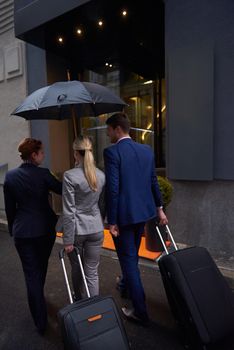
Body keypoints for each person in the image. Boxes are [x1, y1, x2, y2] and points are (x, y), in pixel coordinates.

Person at [103, 112, 168, 325]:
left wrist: (111, 221)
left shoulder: (112, 152)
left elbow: (113, 188)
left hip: (123, 217)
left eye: (109, 129)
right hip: (144, 213)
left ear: (117, 129)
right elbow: (153, 181)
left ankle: (140, 311)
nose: (107, 133)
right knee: (130, 256)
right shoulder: (146, 150)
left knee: (129, 260)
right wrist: (159, 209)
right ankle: (124, 286)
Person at [3, 138, 62, 334]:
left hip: (23, 232)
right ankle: (39, 306)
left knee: (31, 273)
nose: (43, 155)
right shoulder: (44, 174)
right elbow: (62, 190)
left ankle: (39, 320)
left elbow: (10, 210)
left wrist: (13, 229)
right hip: (44, 231)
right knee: (40, 267)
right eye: (42, 152)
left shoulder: (10, 177)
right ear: (34, 155)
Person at [62, 135, 105, 299]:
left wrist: (67, 240)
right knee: (92, 272)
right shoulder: (101, 175)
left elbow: (69, 210)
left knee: (77, 268)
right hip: (96, 228)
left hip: (78, 231)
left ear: (75, 153)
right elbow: (101, 204)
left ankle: (79, 302)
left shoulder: (69, 176)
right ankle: (93, 306)